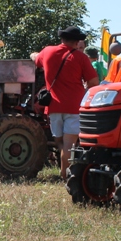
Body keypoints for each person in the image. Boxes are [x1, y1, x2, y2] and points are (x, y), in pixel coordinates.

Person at [34, 26, 99, 179]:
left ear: (62, 39)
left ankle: (64, 173)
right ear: (77, 42)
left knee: (59, 143)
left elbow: (36, 60)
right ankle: (66, 177)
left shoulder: (47, 51)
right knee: (69, 144)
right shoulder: (81, 58)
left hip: (54, 107)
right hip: (74, 107)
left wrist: (34, 54)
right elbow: (94, 82)